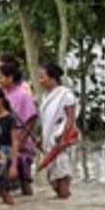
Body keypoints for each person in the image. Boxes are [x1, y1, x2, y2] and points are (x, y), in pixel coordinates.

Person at [0, 58, 38, 195]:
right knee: (3, 175)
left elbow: (32, 118)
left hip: (21, 142)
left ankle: (27, 201)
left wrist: (23, 140)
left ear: (10, 78)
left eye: (1, 78)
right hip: (6, 141)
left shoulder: (22, 95)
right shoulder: (2, 96)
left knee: (24, 178)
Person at [38, 63, 78, 199]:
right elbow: (47, 121)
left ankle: (65, 204)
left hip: (61, 143)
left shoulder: (66, 95)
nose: (40, 80)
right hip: (49, 143)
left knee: (62, 178)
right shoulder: (46, 96)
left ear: (53, 78)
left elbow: (70, 119)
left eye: (42, 77)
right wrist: (41, 138)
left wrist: (63, 138)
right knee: (54, 181)